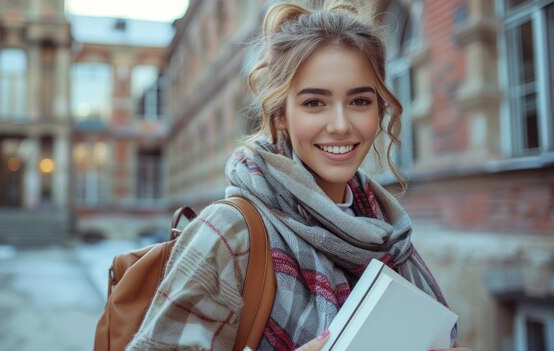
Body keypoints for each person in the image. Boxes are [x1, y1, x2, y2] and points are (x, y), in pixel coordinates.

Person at [127, 1, 470, 350]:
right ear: (280, 116)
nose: (340, 125)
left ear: (380, 109)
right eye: (314, 103)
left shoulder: (385, 231)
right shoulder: (230, 231)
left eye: (360, 101)